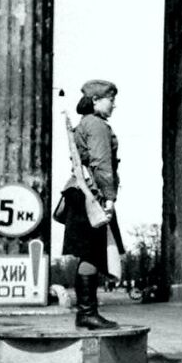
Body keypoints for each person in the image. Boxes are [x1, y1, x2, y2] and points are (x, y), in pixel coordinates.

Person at [62, 79, 125, 330]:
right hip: (92, 195)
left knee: (89, 253)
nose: (114, 105)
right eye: (111, 100)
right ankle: (87, 313)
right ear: (97, 100)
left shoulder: (83, 125)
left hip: (80, 191)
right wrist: (109, 198)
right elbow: (101, 164)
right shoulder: (97, 125)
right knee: (93, 253)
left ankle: (86, 312)